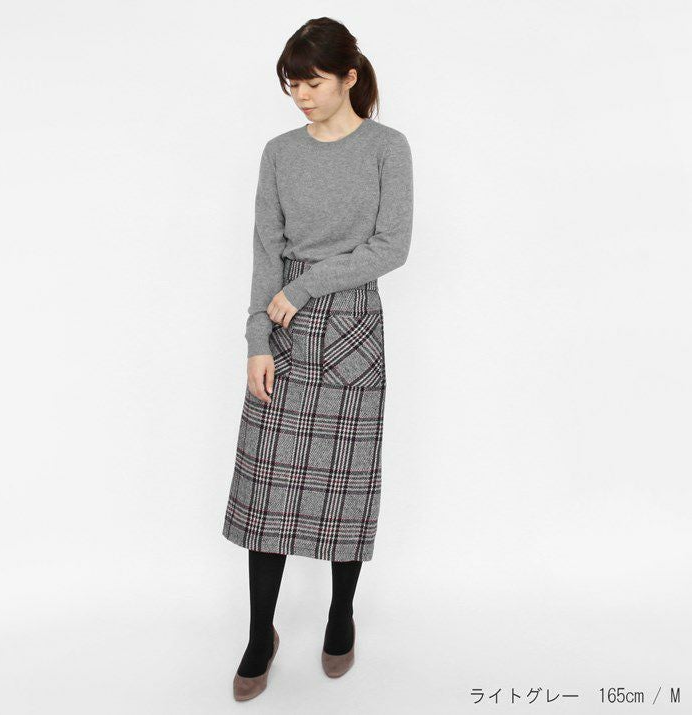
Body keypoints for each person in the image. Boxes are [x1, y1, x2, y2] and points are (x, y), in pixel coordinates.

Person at [221, 16, 414, 701]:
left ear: (349, 77)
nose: (301, 95)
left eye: (313, 81)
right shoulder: (278, 152)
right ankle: (259, 632)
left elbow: (391, 247)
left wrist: (304, 288)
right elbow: (264, 250)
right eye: (291, 84)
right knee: (267, 484)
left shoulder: (387, 147)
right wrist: (256, 339)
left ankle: (340, 614)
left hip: (352, 325)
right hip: (282, 325)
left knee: (346, 481)